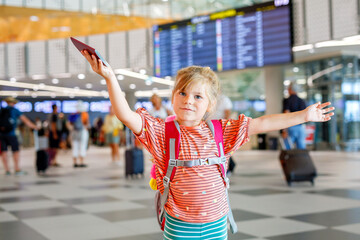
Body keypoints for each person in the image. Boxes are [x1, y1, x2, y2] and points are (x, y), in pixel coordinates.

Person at [81, 50, 334, 239]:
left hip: (216, 224)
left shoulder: (219, 132)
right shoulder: (161, 132)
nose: (188, 101)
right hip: (179, 225)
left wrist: (304, 116)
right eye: (182, 93)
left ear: (209, 105)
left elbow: (262, 123)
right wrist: (110, 78)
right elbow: (125, 114)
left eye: (197, 96)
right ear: (173, 96)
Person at [0, 97, 38, 175]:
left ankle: (7, 170)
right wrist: (35, 127)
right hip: (12, 134)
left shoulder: (1, 110)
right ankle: (17, 169)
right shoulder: (15, 110)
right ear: (13, 103)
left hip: (1, 135)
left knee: (4, 151)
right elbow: (26, 120)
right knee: (15, 151)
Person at [210, 94, 236, 175]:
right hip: (209, 126)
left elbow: (227, 113)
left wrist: (225, 126)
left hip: (220, 126)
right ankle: (229, 166)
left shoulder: (224, 99)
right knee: (216, 148)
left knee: (222, 148)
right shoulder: (208, 97)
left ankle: (229, 166)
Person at [283, 82, 307, 149]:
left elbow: (286, 114)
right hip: (300, 127)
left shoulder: (287, 100)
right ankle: (302, 159)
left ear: (291, 89)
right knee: (301, 147)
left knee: (288, 147)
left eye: (288, 89)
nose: (288, 90)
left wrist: (284, 130)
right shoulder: (302, 101)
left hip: (291, 126)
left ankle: (289, 159)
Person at [68, 101, 89, 168]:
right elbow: (86, 124)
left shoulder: (73, 115)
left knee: (75, 147)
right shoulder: (84, 114)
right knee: (82, 146)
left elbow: (69, 124)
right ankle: (81, 162)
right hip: (82, 132)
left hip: (74, 132)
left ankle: (75, 162)